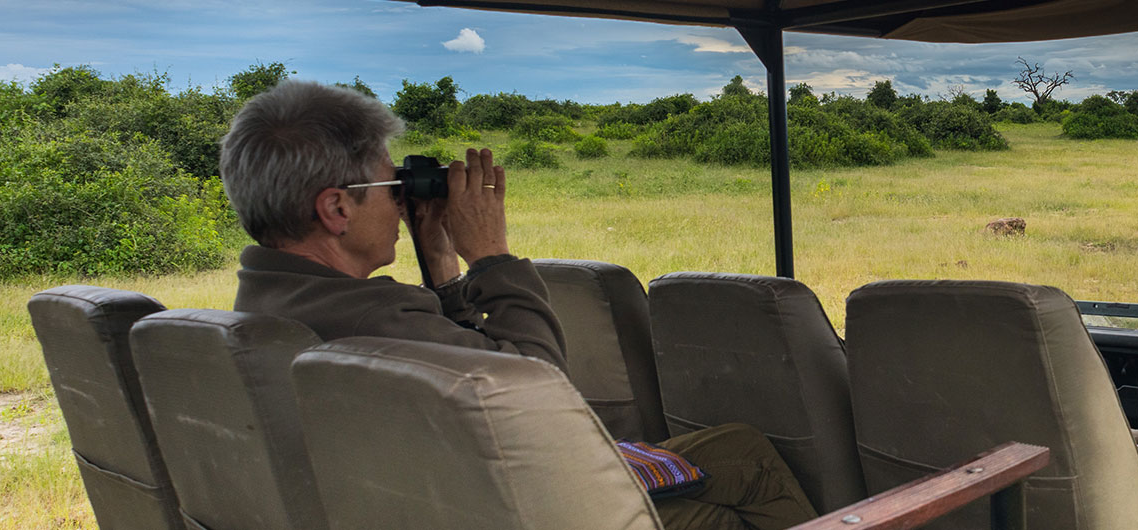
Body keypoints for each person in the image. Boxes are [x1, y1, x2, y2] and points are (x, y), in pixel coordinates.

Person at [220, 80, 817, 530]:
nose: (402, 204)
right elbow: (535, 384)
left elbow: (459, 360)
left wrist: (440, 262)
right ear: (336, 210)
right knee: (745, 476)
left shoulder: (263, 305)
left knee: (734, 446)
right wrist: (490, 256)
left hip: (430, 495)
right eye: (390, 187)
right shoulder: (369, 317)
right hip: (504, 506)